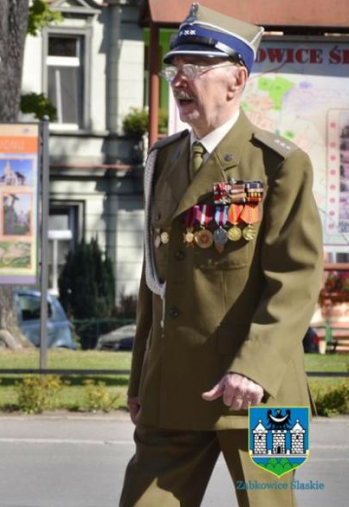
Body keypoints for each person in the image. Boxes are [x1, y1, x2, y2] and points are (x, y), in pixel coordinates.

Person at [121, 4, 322, 506]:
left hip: (266, 395)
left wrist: (253, 368)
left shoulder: (279, 164)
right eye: (174, 69)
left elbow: (296, 280)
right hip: (174, 387)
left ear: (236, 80)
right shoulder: (162, 160)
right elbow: (155, 281)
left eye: (194, 69)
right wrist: (141, 376)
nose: (179, 81)